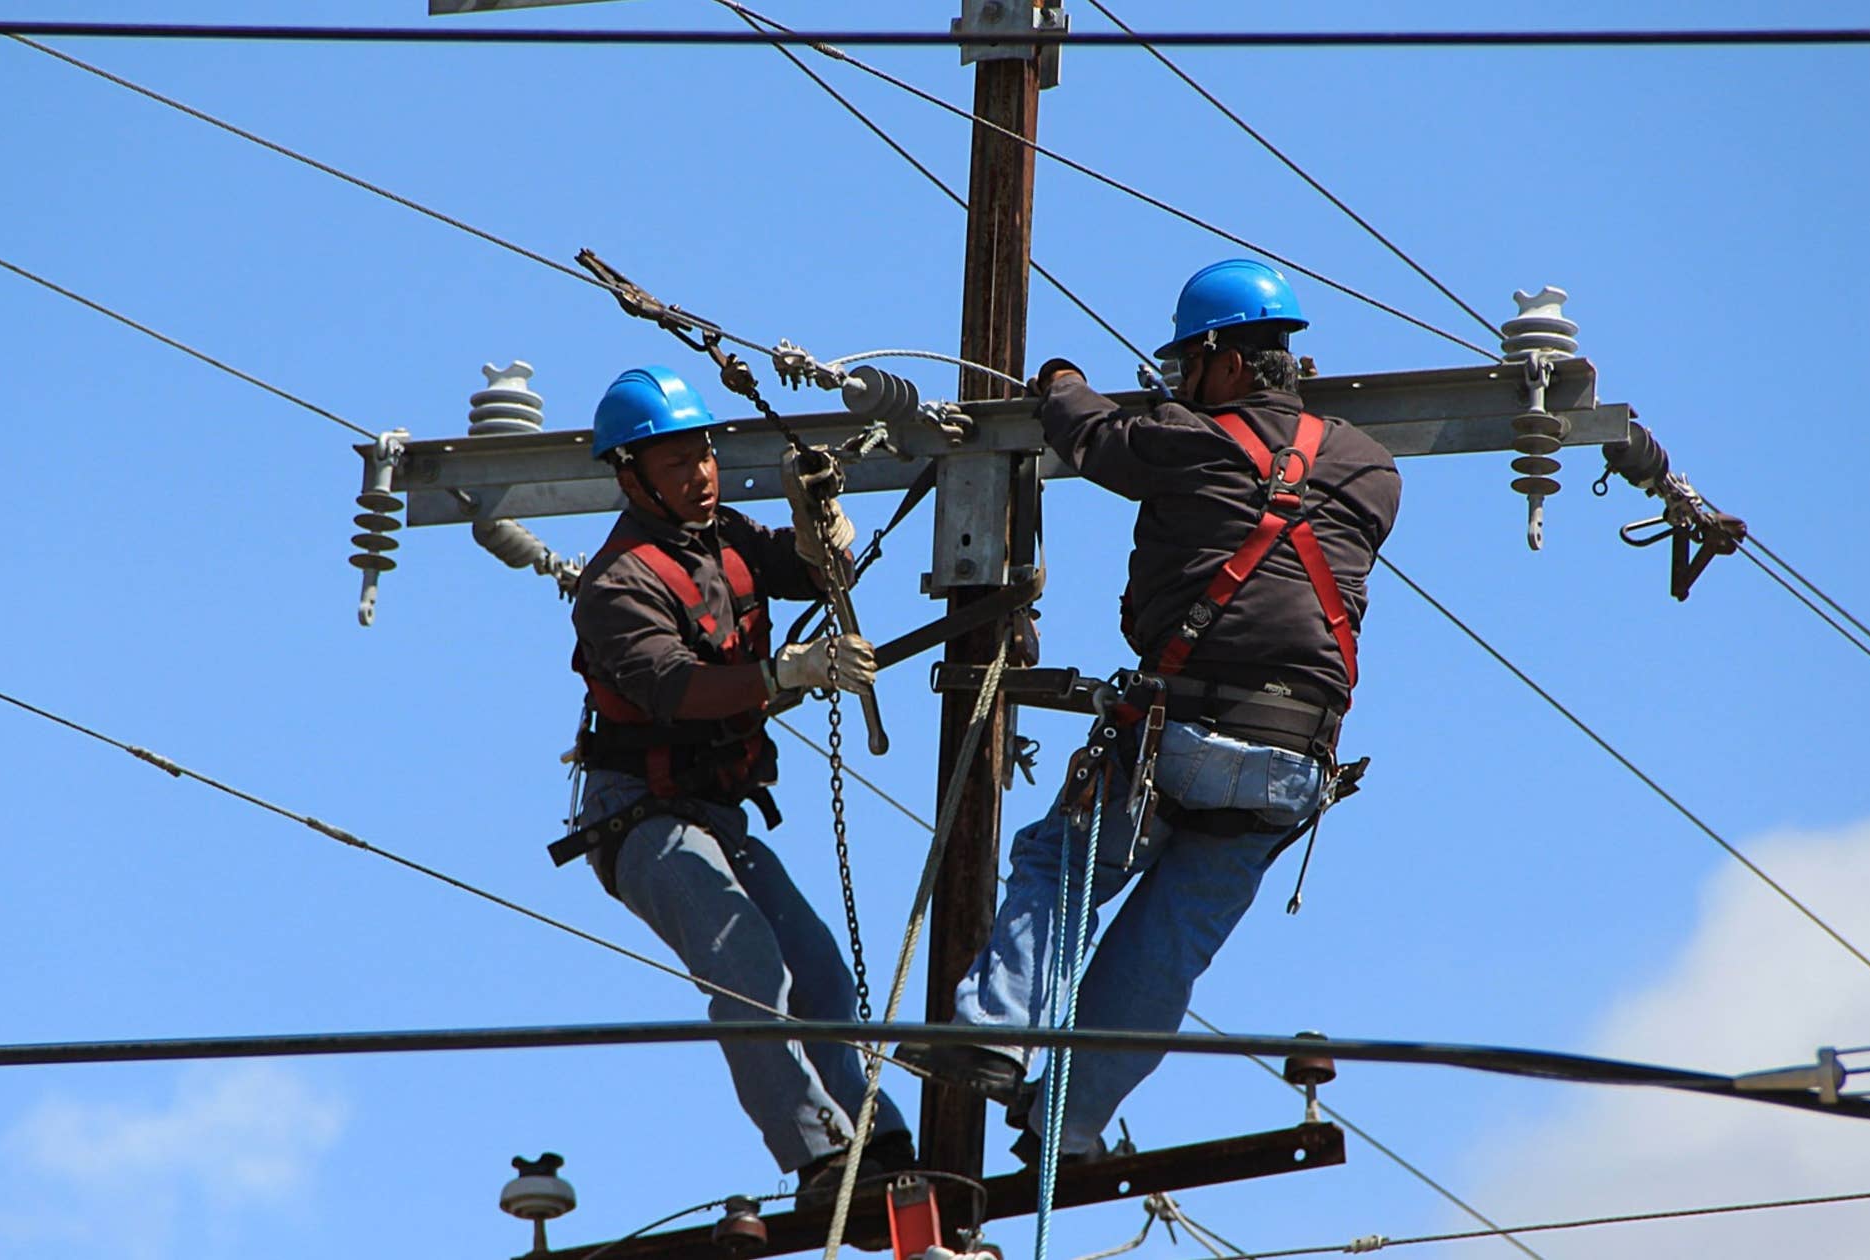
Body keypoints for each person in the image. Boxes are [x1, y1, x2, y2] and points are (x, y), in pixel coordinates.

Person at [902, 260, 1402, 1163]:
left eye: (1188, 369)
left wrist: (1058, 379)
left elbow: (1089, 433)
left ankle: (991, 1032)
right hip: (1295, 760)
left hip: (1183, 730)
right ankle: (1071, 1120)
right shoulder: (1373, 470)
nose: (1180, 388)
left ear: (1227, 362)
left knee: (1062, 871)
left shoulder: (1187, 439)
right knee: (1168, 946)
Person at [557, 364, 913, 1203]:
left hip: (716, 812)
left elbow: (814, 572)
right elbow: (676, 688)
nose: (701, 474)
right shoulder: (616, 584)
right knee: (744, 958)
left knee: (818, 968)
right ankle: (820, 1156)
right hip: (639, 817)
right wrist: (791, 673)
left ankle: (877, 1138)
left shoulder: (724, 540)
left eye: (704, 454)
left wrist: (818, 517)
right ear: (630, 473)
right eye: (676, 462)